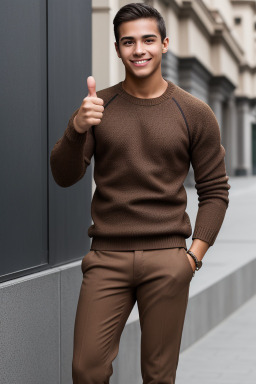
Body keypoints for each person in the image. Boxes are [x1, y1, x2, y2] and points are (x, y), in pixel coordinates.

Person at [50, 2, 231, 383]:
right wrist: (77, 128)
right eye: (128, 42)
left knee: (159, 376)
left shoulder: (194, 112)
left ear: (164, 44)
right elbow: (64, 176)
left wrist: (192, 258)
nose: (139, 50)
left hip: (168, 258)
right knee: (86, 370)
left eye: (148, 39)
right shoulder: (100, 108)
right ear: (117, 49)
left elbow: (214, 190)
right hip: (106, 258)